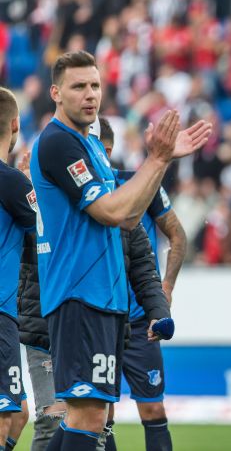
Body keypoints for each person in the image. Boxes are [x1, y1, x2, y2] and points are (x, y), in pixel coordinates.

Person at [30, 50, 210, 451]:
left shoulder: (90, 145)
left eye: (95, 85)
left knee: (88, 416)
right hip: (80, 294)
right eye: (79, 86)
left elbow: (130, 218)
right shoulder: (59, 143)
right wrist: (158, 157)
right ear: (56, 93)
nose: (90, 94)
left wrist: (160, 163)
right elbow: (113, 211)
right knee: (88, 416)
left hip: (102, 298)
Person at [97, 116, 186, 451]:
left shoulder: (140, 183)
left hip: (138, 320)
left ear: (108, 149)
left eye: (103, 150)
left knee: (153, 407)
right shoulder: (79, 191)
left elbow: (177, 236)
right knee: (100, 415)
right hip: (101, 316)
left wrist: (166, 288)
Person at [0, 87, 34, 451]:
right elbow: (43, 237)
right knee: (6, 415)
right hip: (1, 313)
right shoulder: (10, 182)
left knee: (20, 411)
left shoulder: (12, 182)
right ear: (14, 124)